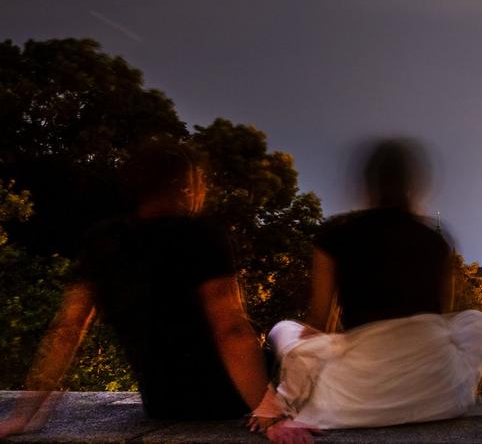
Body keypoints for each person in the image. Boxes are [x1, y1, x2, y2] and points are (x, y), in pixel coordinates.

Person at [0, 140, 311, 443]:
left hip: (163, 403)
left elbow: (66, 331)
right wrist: (268, 411)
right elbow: (230, 328)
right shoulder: (200, 236)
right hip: (229, 399)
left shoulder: (102, 241)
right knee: (286, 330)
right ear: (186, 187)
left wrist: (22, 416)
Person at [264, 139, 482, 429]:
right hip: (440, 397)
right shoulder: (436, 241)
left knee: (283, 330)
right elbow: (442, 320)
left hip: (354, 402)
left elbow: (319, 323)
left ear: (367, 185)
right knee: (475, 320)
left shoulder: (336, 236)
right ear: (414, 186)